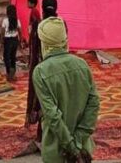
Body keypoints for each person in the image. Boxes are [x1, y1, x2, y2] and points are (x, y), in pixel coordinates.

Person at [31, 17, 99, 163]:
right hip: (83, 148)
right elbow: (93, 104)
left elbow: (52, 114)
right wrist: (78, 142)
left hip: (57, 150)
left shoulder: (41, 71)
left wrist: (71, 147)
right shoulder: (82, 64)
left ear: (45, 43)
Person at [26, 0, 60, 128]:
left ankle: (42, 132)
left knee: (42, 99)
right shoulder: (61, 24)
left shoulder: (38, 26)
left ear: (42, 9)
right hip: (60, 68)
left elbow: (34, 52)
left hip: (43, 68)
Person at [1, 4, 22, 82]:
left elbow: (2, 32)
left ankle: (9, 73)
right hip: (15, 39)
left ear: (7, 12)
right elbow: (20, 31)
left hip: (7, 40)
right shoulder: (17, 20)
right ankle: (13, 74)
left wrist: (1, 41)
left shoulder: (5, 20)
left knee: (6, 57)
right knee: (13, 57)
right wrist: (20, 40)